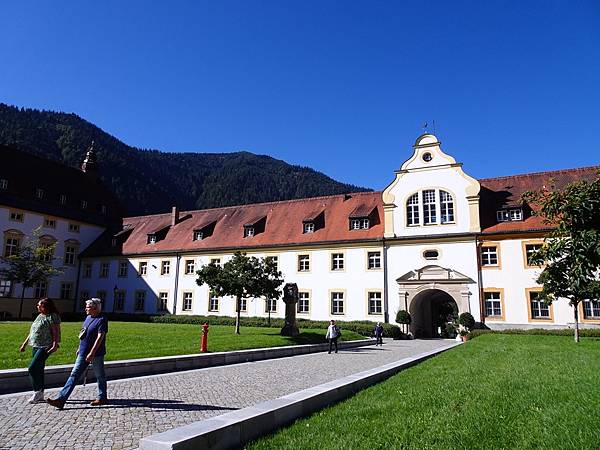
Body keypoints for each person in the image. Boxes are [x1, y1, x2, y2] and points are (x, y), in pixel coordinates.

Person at [47, 298, 108, 410]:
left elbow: (100, 337)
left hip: (96, 353)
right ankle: (61, 399)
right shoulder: (88, 318)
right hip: (83, 352)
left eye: (88, 307)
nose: (85, 309)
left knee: (100, 375)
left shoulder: (102, 319)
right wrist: (80, 347)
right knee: (74, 374)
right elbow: (83, 333)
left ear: (95, 308)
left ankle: (102, 397)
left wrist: (92, 352)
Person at [19, 298, 61, 404]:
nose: (37, 306)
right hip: (36, 345)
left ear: (45, 306)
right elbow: (32, 331)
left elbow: (55, 331)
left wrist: (55, 344)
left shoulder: (52, 316)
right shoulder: (39, 316)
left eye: (39, 305)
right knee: (39, 368)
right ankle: (40, 393)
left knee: (32, 368)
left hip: (46, 346)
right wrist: (24, 344)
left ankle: (36, 391)